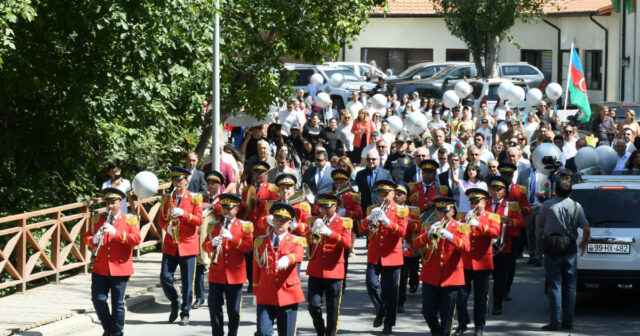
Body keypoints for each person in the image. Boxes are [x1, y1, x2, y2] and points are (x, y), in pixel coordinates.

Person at [84, 188, 141, 336]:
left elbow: (136, 239)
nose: (110, 206)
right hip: (100, 267)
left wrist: (116, 234)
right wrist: (94, 239)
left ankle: (116, 333)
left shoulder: (130, 219)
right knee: (98, 300)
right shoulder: (97, 219)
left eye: (113, 203)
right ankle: (109, 328)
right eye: (107, 203)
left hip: (120, 267)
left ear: (120, 203)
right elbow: (86, 237)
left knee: (118, 304)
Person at [536, 179, 590, 331]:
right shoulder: (576, 206)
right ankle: (568, 322)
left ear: (555, 191)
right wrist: (584, 243)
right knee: (570, 286)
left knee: (555, 285)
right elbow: (586, 228)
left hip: (551, 247)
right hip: (569, 247)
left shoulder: (547, 205)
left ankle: (555, 322)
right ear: (570, 192)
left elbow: (540, 224)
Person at [413, 197, 470, 336]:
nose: (442, 215)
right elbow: (417, 244)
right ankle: (436, 332)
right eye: (439, 211)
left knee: (447, 316)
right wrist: (427, 234)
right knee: (427, 311)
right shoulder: (431, 226)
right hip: (431, 276)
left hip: (450, 278)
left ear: (452, 212)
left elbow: (467, 248)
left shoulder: (461, 227)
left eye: (445, 212)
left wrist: (451, 236)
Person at [359, 179, 409, 335]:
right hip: (374, 254)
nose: (383, 197)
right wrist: (368, 219)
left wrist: (387, 222)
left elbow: (402, 232)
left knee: (390, 291)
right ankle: (381, 310)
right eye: (381, 194)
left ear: (394, 194)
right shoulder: (374, 209)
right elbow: (360, 229)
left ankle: (389, 323)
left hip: (391, 255)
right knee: (371, 284)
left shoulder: (401, 210)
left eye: (386, 194)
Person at [202, 193, 253, 336]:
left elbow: (248, 247)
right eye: (224, 208)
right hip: (216, 274)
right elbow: (205, 247)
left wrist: (232, 238)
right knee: (214, 307)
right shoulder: (214, 226)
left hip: (235, 275)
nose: (226, 212)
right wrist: (211, 243)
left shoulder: (245, 226)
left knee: (234, 310)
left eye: (230, 209)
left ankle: (232, 333)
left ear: (236, 209)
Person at [158, 167, 203, 326]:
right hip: (171, 245)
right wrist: (167, 228)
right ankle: (175, 301)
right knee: (165, 277)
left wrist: (184, 214)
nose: (177, 183)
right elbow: (161, 219)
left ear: (186, 181)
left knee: (187, 282)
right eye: (174, 180)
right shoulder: (167, 198)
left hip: (188, 244)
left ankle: (185, 312)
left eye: (180, 180)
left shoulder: (194, 198)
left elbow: (199, 220)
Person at [253, 203, 307, 336]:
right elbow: (256, 268)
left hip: (287, 294)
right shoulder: (261, 241)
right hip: (266, 293)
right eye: (277, 220)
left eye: (284, 221)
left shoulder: (297, 240)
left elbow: (299, 255)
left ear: (290, 223)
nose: (280, 223)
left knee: (286, 333)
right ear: (272, 222)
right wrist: (255, 291)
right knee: (263, 332)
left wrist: (289, 258)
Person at [454, 189, 500, 336]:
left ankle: (479, 326)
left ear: (484, 203)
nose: (474, 205)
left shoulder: (493, 217)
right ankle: (462, 323)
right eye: (472, 202)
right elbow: (457, 236)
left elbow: (495, 233)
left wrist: (478, 225)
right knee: (461, 296)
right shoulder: (464, 218)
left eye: (477, 202)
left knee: (481, 298)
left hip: (482, 263)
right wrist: (463, 223)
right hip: (465, 263)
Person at [306, 194, 353, 336]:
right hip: (316, 270)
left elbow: (347, 243)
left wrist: (330, 233)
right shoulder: (315, 220)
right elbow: (306, 240)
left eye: (327, 208)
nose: (324, 211)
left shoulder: (344, 222)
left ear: (335, 206)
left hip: (334, 270)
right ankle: (321, 330)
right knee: (313, 305)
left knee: (333, 309)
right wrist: (311, 231)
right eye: (321, 208)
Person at [487, 176, 524, 315]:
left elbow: (521, 222)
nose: (496, 192)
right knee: (483, 278)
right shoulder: (484, 203)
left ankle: (497, 304)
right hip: (485, 247)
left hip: (503, 247)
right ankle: (484, 302)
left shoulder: (511, 205)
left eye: (499, 189)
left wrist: (509, 221)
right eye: (493, 189)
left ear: (504, 191)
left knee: (499, 278)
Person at [240, 161, 279, 292]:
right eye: (256, 172)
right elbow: (244, 208)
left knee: (263, 257)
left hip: (264, 229)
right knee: (249, 258)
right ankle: (252, 282)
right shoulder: (246, 190)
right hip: (250, 229)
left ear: (266, 174)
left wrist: (261, 202)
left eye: (261, 172)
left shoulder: (273, 189)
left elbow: (275, 205)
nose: (258, 175)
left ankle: (263, 280)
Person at [193, 170, 225, 310]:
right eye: (209, 183)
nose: (210, 185)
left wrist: (211, 206)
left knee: (219, 267)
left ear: (219, 184)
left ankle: (219, 294)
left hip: (219, 237)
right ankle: (199, 297)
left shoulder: (224, 199)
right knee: (199, 264)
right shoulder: (202, 199)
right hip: (203, 237)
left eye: (214, 183)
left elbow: (229, 210)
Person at [395, 182, 422, 313]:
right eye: (394, 193)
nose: (396, 196)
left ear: (405, 197)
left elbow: (418, 227)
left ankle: (400, 302)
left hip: (405, 249)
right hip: (390, 249)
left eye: (399, 194)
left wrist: (408, 222)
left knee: (403, 277)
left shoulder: (412, 210)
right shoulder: (388, 208)